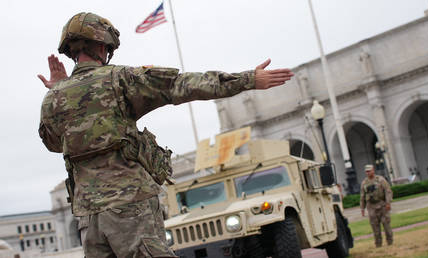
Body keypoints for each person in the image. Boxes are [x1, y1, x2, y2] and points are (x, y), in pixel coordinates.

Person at [37, 12, 293, 258]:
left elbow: (54, 144)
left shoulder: (53, 97)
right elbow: (183, 85)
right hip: (131, 206)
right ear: (102, 47)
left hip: (89, 217)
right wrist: (248, 79)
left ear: (71, 51)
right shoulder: (120, 79)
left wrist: (60, 89)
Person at [360, 164, 393, 247]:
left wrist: (388, 203)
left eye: (369, 171)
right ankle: (378, 244)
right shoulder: (364, 183)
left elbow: (388, 191)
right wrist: (362, 208)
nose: (368, 173)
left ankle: (390, 242)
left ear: (373, 170)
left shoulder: (380, 180)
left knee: (386, 225)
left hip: (382, 205)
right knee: (375, 227)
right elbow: (362, 196)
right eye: (366, 171)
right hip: (371, 207)